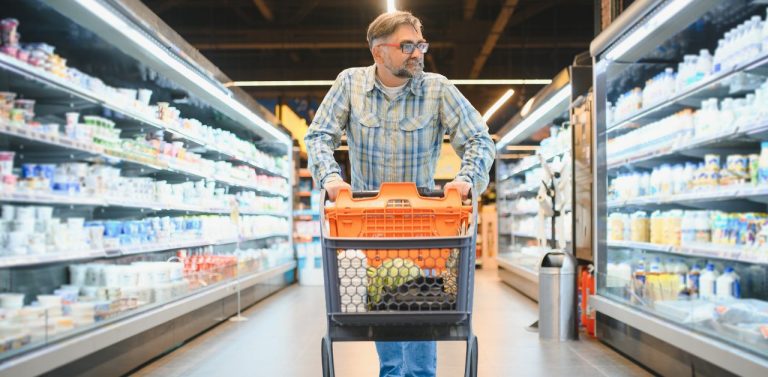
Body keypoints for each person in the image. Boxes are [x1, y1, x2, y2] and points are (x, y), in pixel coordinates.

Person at [305, 10, 494, 377]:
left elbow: (479, 139)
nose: (417, 53)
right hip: (367, 225)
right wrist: (330, 178)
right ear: (378, 52)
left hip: (425, 227)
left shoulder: (436, 88)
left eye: (420, 44)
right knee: (383, 309)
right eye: (406, 45)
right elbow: (318, 137)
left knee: (422, 313)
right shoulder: (350, 84)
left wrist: (466, 179)